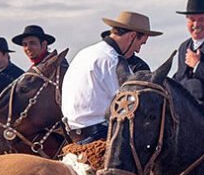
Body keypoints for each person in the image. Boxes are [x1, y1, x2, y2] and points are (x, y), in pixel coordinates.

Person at [62, 12, 161, 144]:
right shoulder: (114, 61)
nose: (138, 51)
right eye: (141, 43)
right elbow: (128, 107)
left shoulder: (84, 53)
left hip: (73, 134)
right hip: (99, 135)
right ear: (132, 36)